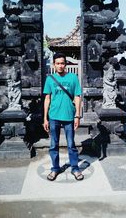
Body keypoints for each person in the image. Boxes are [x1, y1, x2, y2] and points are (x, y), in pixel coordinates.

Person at [43, 52, 84, 181]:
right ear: (54, 64)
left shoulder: (73, 78)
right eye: (58, 63)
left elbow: (77, 97)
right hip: (54, 115)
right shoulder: (50, 79)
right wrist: (45, 118)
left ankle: (75, 168)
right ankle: (55, 168)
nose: (60, 66)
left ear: (65, 64)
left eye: (62, 63)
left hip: (69, 116)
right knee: (53, 144)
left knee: (71, 144)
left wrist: (77, 116)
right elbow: (47, 99)